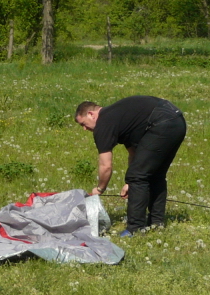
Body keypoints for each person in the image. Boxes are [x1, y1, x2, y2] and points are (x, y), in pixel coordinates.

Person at [74, 96, 186, 236]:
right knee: (155, 174)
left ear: (91, 114)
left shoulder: (103, 123)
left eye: (83, 124)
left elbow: (106, 165)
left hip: (161, 122)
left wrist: (100, 188)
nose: (84, 129)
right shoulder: (119, 116)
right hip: (177, 120)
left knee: (138, 177)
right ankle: (156, 224)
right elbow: (134, 153)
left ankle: (135, 229)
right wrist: (129, 183)